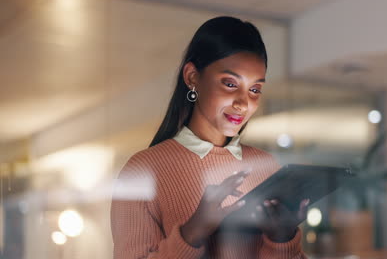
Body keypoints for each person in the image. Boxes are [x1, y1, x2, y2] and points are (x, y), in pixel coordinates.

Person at [110, 16, 310, 259]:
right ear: (192, 77)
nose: (243, 103)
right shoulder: (142, 170)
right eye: (229, 83)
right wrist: (192, 231)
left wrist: (283, 239)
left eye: (255, 89)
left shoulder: (267, 167)